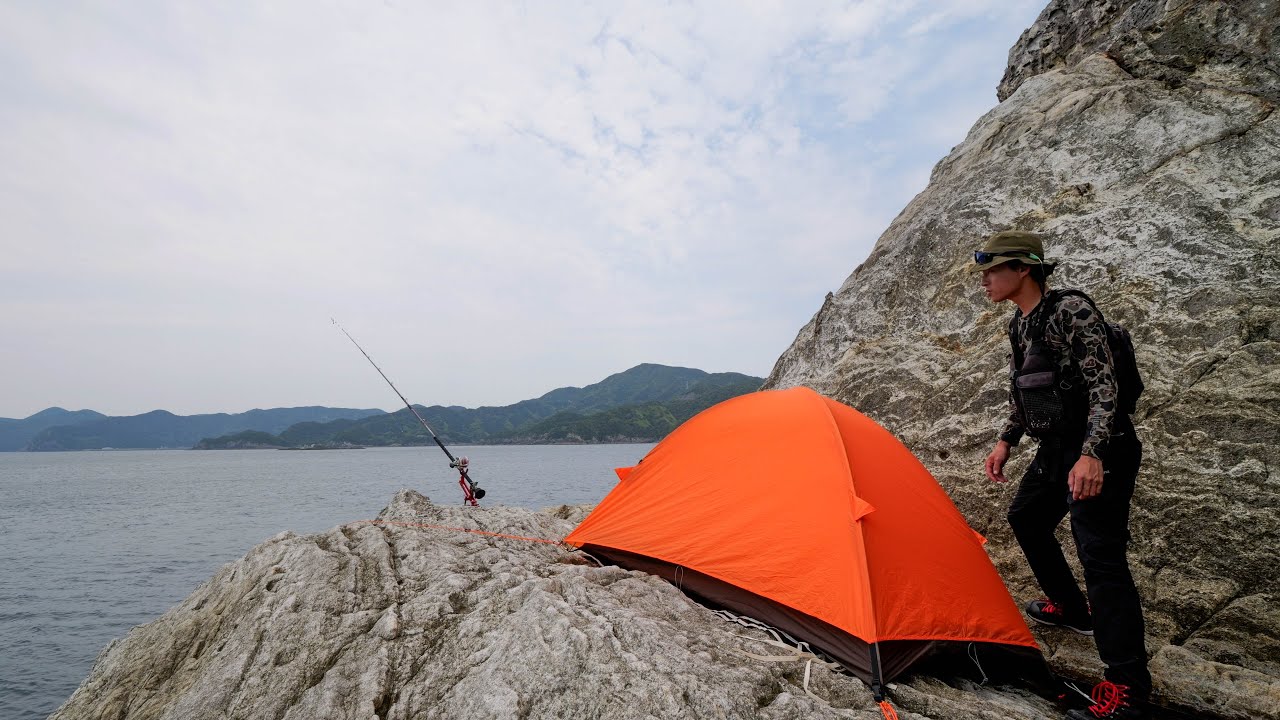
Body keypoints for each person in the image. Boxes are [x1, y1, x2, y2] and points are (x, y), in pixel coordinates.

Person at [976, 230, 1151, 720]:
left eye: (993, 269)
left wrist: (1093, 453)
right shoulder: (1020, 324)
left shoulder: (1072, 311)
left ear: (1024, 269)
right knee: (1027, 518)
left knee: (1100, 556)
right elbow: (1024, 389)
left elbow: (1105, 387)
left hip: (1101, 447)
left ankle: (1129, 690)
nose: (985, 280)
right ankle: (1074, 612)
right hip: (1056, 448)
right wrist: (1006, 439)